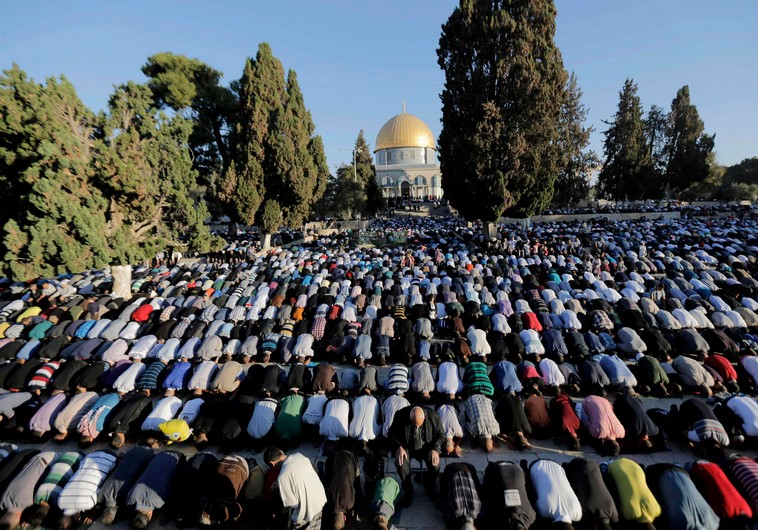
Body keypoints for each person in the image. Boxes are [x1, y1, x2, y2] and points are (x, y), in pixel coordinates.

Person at [388, 405, 445, 506]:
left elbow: (441, 435)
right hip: (407, 446)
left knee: (435, 464)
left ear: (424, 417)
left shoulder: (434, 416)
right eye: (414, 425)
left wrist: (435, 449)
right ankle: (408, 489)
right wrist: (399, 447)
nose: (417, 427)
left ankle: (431, 487)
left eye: (419, 425)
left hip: (427, 446)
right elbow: (391, 434)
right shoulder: (400, 415)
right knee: (401, 463)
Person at [267, 447, 327, 530]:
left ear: (272, 464)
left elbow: (291, 503)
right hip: (319, 505)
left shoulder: (283, 477)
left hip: (305, 516)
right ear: (281, 451)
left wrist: (279, 489)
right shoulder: (300, 457)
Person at [125, 450, 183, 528]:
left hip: (176, 457)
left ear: (149, 517)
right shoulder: (130, 499)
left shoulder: (159, 502)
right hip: (159, 455)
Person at [324, 449, 361, 530]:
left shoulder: (350, 503)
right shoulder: (327, 500)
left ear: (344, 518)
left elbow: (357, 488)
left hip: (350, 457)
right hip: (332, 456)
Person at [440, 463, 482, 530]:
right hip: (450, 470)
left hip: (469, 468)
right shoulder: (452, 514)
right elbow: (442, 501)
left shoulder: (478, 510)